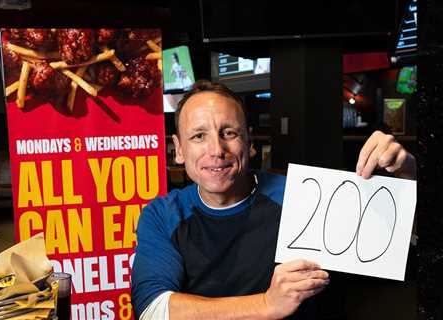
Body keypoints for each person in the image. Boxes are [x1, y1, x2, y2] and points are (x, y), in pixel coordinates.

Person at [131, 80, 417, 319]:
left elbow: (404, 248)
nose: (216, 149)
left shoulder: (301, 197)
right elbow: (154, 309)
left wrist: (406, 177)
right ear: (178, 149)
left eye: (229, 133)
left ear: (249, 142)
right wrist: (267, 304)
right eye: (198, 136)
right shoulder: (163, 215)